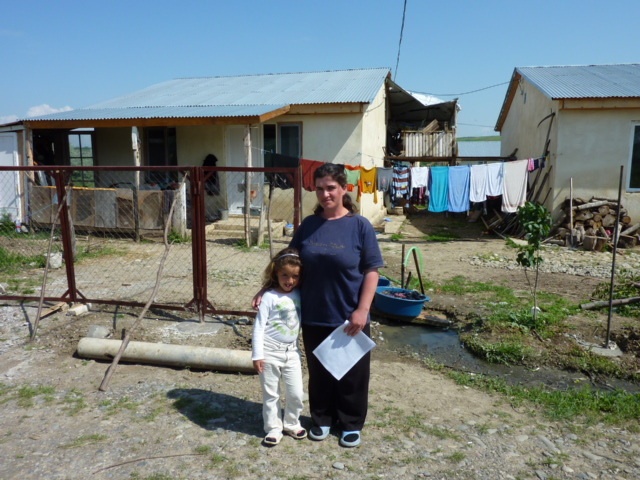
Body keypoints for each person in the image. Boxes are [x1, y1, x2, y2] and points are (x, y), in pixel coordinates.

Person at [254, 162, 384, 448]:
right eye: (320, 189)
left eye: (331, 188)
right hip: (314, 314)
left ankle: (350, 422)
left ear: (344, 189)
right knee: (320, 372)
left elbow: (372, 270)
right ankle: (322, 418)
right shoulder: (309, 226)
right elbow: (288, 261)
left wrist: (363, 309)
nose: (325, 195)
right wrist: (267, 288)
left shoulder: (359, 226)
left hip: (350, 314)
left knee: (352, 375)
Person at [252, 247, 307, 446]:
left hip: (292, 352)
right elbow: (258, 327)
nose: (289, 280)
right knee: (271, 394)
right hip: (269, 352)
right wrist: (257, 355)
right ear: (276, 273)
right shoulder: (269, 297)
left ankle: (292, 422)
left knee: (295, 392)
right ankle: (273, 428)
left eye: (295, 276)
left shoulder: (300, 293)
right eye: (285, 275)